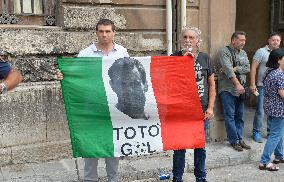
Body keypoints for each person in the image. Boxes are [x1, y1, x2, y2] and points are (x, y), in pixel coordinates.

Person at [57, 19, 129, 182]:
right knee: (91, 148)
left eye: (108, 31)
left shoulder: (122, 52)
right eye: (101, 31)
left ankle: (113, 179)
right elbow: (74, 75)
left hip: (114, 109)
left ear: (114, 33)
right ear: (96, 33)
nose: (104, 35)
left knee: (113, 149)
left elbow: (128, 75)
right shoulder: (85, 53)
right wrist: (63, 75)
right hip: (91, 108)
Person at [171, 26, 216, 182]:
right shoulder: (174, 57)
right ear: (180, 39)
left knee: (200, 147)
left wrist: (210, 107)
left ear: (198, 40)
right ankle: (177, 178)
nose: (188, 40)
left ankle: (201, 178)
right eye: (185, 37)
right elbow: (168, 83)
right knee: (179, 148)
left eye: (191, 37)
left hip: (201, 111)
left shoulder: (205, 58)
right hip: (180, 111)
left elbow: (211, 85)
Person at [218, 31, 251, 152]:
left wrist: (235, 68)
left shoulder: (243, 53)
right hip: (228, 89)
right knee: (230, 116)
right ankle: (234, 141)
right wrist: (236, 82)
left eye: (244, 40)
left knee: (240, 116)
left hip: (241, 89)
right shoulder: (224, 51)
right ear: (233, 40)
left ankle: (239, 138)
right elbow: (227, 69)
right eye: (241, 40)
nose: (243, 42)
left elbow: (247, 68)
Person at [249, 33, 281, 143]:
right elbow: (253, 68)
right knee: (260, 110)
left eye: (278, 40)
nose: (276, 42)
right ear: (268, 40)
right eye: (273, 40)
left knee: (273, 110)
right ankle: (256, 131)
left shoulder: (280, 53)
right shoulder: (261, 51)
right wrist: (253, 84)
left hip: (277, 87)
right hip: (262, 86)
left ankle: (270, 132)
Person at [258, 48, 284, 171]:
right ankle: (264, 162)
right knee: (275, 134)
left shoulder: (269, 71)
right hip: (279, 108)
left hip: (270, 107)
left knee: (278, 132)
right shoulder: (279, 74)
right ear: (279, 60)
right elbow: (282, 93)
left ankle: (279, 156)